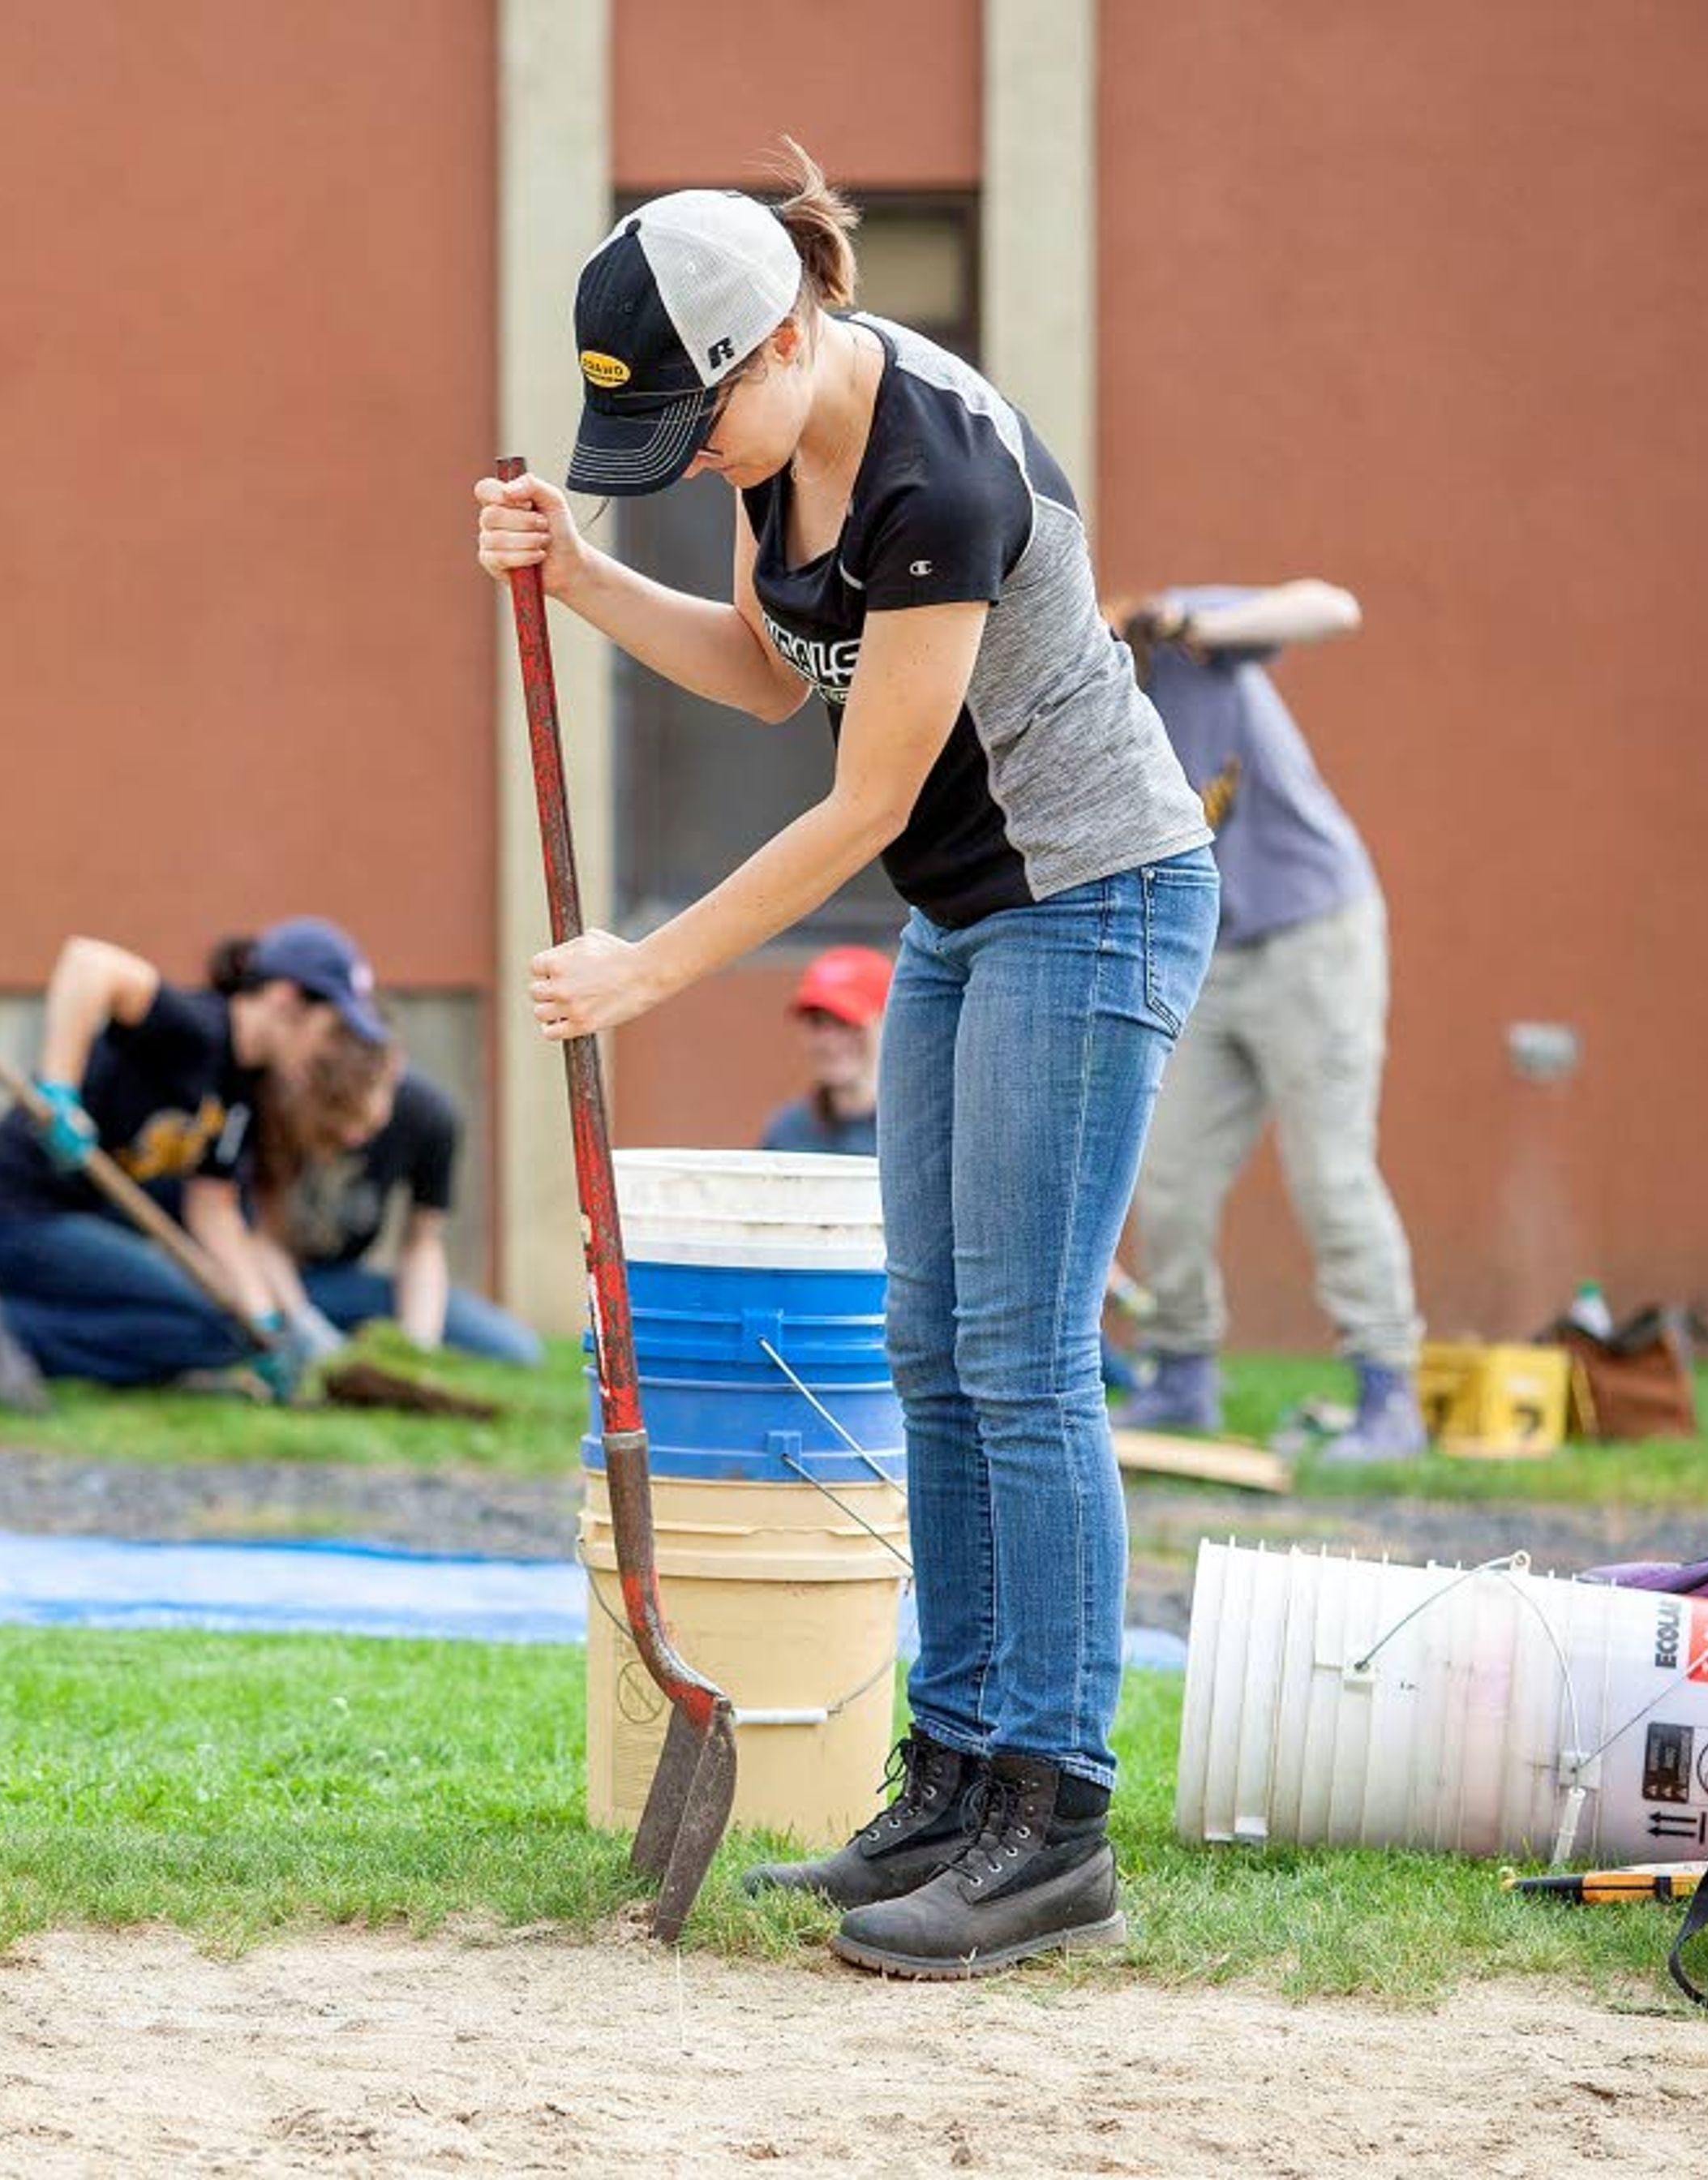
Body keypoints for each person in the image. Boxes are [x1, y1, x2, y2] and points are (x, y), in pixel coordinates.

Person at [475, 147, 1217, 1976]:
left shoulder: (934, 472)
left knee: (1025, 1360)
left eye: (695, 421)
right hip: (970, 920)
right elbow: (763, 669)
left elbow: (865, 792)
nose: (693, 457)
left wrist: (651, 967)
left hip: (1096, 898)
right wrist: (579, 579)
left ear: (784, 338)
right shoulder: (787, 440)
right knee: (926, 1349)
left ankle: (1053, 1820)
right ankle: (953, 1780)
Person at [1107, 584, 1425, 1461]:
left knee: (1329, 1171)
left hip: (1313, 934)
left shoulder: (1181, 639)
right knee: (1164, 1171)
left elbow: (1335, 607)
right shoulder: (1082, 713)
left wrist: (1198, 626)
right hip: (1211, 950)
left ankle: (1388, 1393)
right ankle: (1179, 1378)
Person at [0, 919, 394, 1412]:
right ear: (286, 1000)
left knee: (230, 1331)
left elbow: (214, 1210)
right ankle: (11, 1334)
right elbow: (89, 962)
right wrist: (59, 1092)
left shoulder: (241, 1092)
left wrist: (265, 1324)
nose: (331, 1048)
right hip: (4, 1213)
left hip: (78, 1220)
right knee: (207, 1324)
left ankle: (58, 1343)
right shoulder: (194, 1028)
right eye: (332, 1027)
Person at [251, 1054, 542, 1365]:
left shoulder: (427, 1115)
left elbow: (422, 1244)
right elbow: (260, 1239)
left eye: (363, 1118)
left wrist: (417, 1346)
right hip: (268, 1282)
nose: (351, 1136)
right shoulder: (273, 1104)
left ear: (391, 1072)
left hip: (344, 1283)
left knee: (517, 1349)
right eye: (339, 1114)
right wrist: (303, 1324)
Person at [758, 944, 890, 1157]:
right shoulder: (788, 1132)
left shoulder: (920, 1131)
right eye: (817, 1023)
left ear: (888, 1023)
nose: (829, 1042)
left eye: (846, 1023)